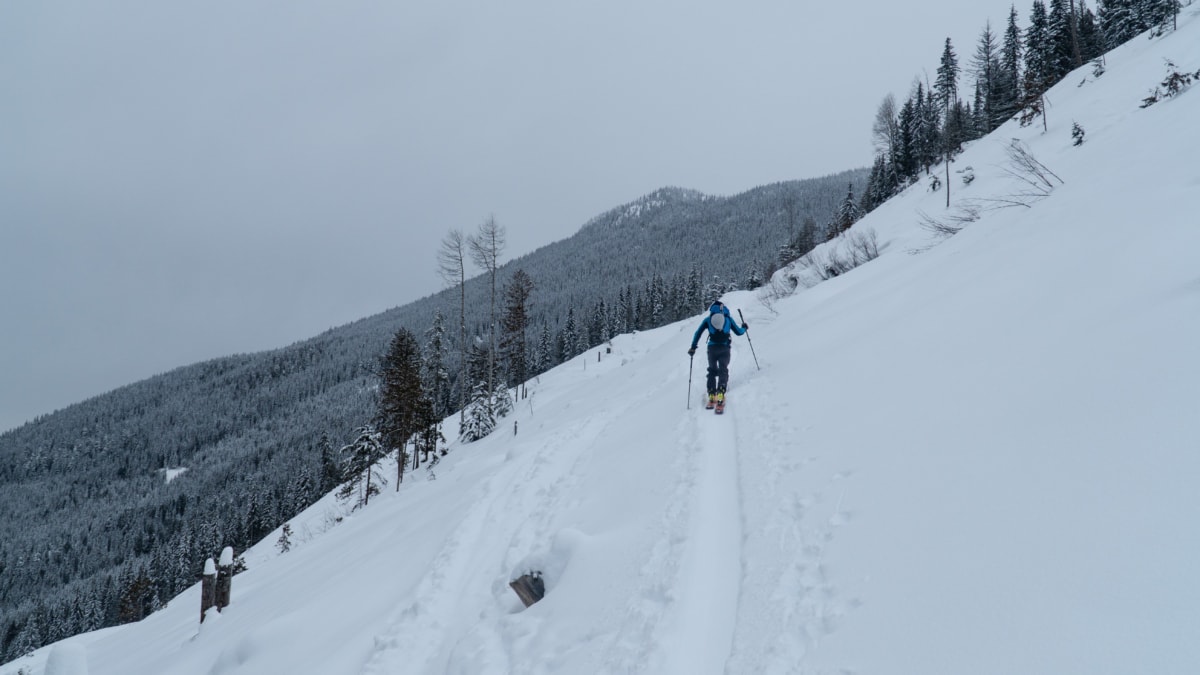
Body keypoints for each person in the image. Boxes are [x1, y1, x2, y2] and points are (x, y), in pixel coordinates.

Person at [688, 301, 748, 409]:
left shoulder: (708, 320)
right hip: (725, 348)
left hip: (712, 349)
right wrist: (744, 327)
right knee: (723, 369)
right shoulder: (728, 319)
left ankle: (711, 393)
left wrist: (693, 347)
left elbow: (698, 333)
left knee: (712, 370)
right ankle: (721, 391)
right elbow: (739, 332)